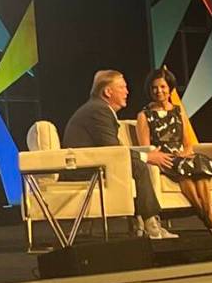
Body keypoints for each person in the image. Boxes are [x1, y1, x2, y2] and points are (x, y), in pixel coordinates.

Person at [62, 70, 178, 239]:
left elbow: (114, 150)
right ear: (108, 92)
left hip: (94, 163)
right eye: (122, 87)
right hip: (84, 170)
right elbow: (114, 150)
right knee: (138, 166)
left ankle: (143, 223)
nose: (127, 92)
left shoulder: (99, 108)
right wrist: (147, 157)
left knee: (138, 164)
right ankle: (150, 224)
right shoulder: (98, 110)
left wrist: (145, 155)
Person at [137, 67, 212, 233]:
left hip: (182, 156)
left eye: (162, 87)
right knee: (184, 172)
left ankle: (208, 216)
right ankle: (210, 217)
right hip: (164, 158)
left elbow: (188, 143)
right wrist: (164, 155)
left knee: (200, 168)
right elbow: (146, 147)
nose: (158, 91)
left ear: (170, 88)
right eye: (154, 87)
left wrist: (185, 153)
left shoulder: (178, 111)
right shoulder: (144, 115)